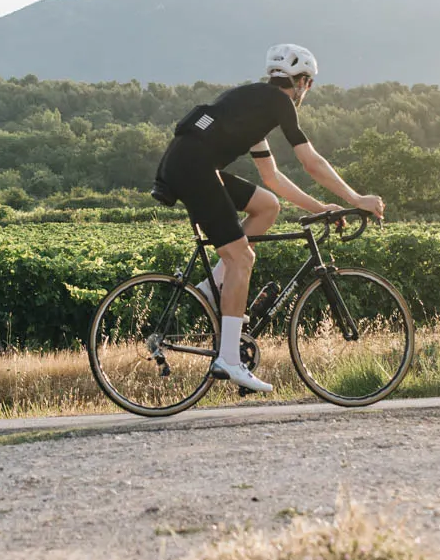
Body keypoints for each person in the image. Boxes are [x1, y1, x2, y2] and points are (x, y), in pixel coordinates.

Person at [152, 44, 386, 394]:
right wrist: (356, 199)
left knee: (267, 205)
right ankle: (229, 359)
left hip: (189, 165)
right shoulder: (280, 103)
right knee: (242, 258)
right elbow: (310, 161)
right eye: (308, 84)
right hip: (194, 170)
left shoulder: (255, 106)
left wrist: (320, 208)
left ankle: (214, 288)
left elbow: (273, 178)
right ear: (302, 82)